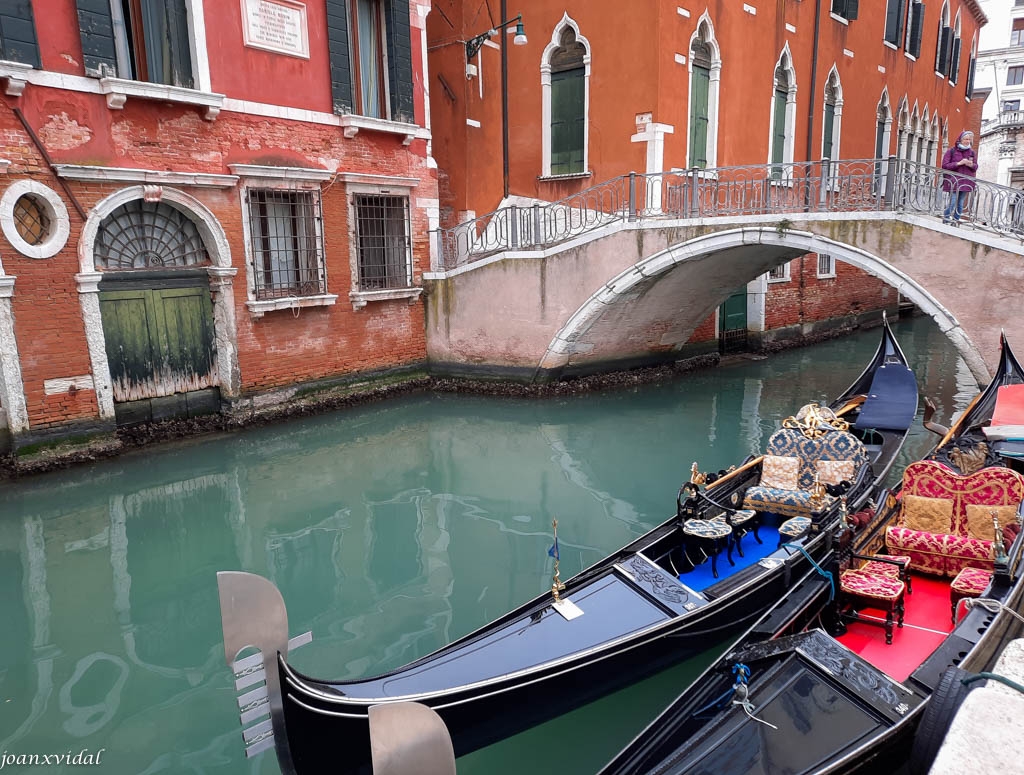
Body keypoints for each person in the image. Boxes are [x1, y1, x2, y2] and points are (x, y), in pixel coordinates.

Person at [940, 130, 977, 225]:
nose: (967, 141)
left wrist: (970, 165)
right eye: (965, 139)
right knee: (952, 201)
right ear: (960, 139)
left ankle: (955, 220)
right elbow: (945, 165)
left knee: (960, 203)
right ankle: (946, 218)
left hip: (966, 181)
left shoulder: (972, 152)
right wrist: (959, 163)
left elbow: (975, 167)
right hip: (954, 180)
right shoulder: (951, 151)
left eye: (969, 139)